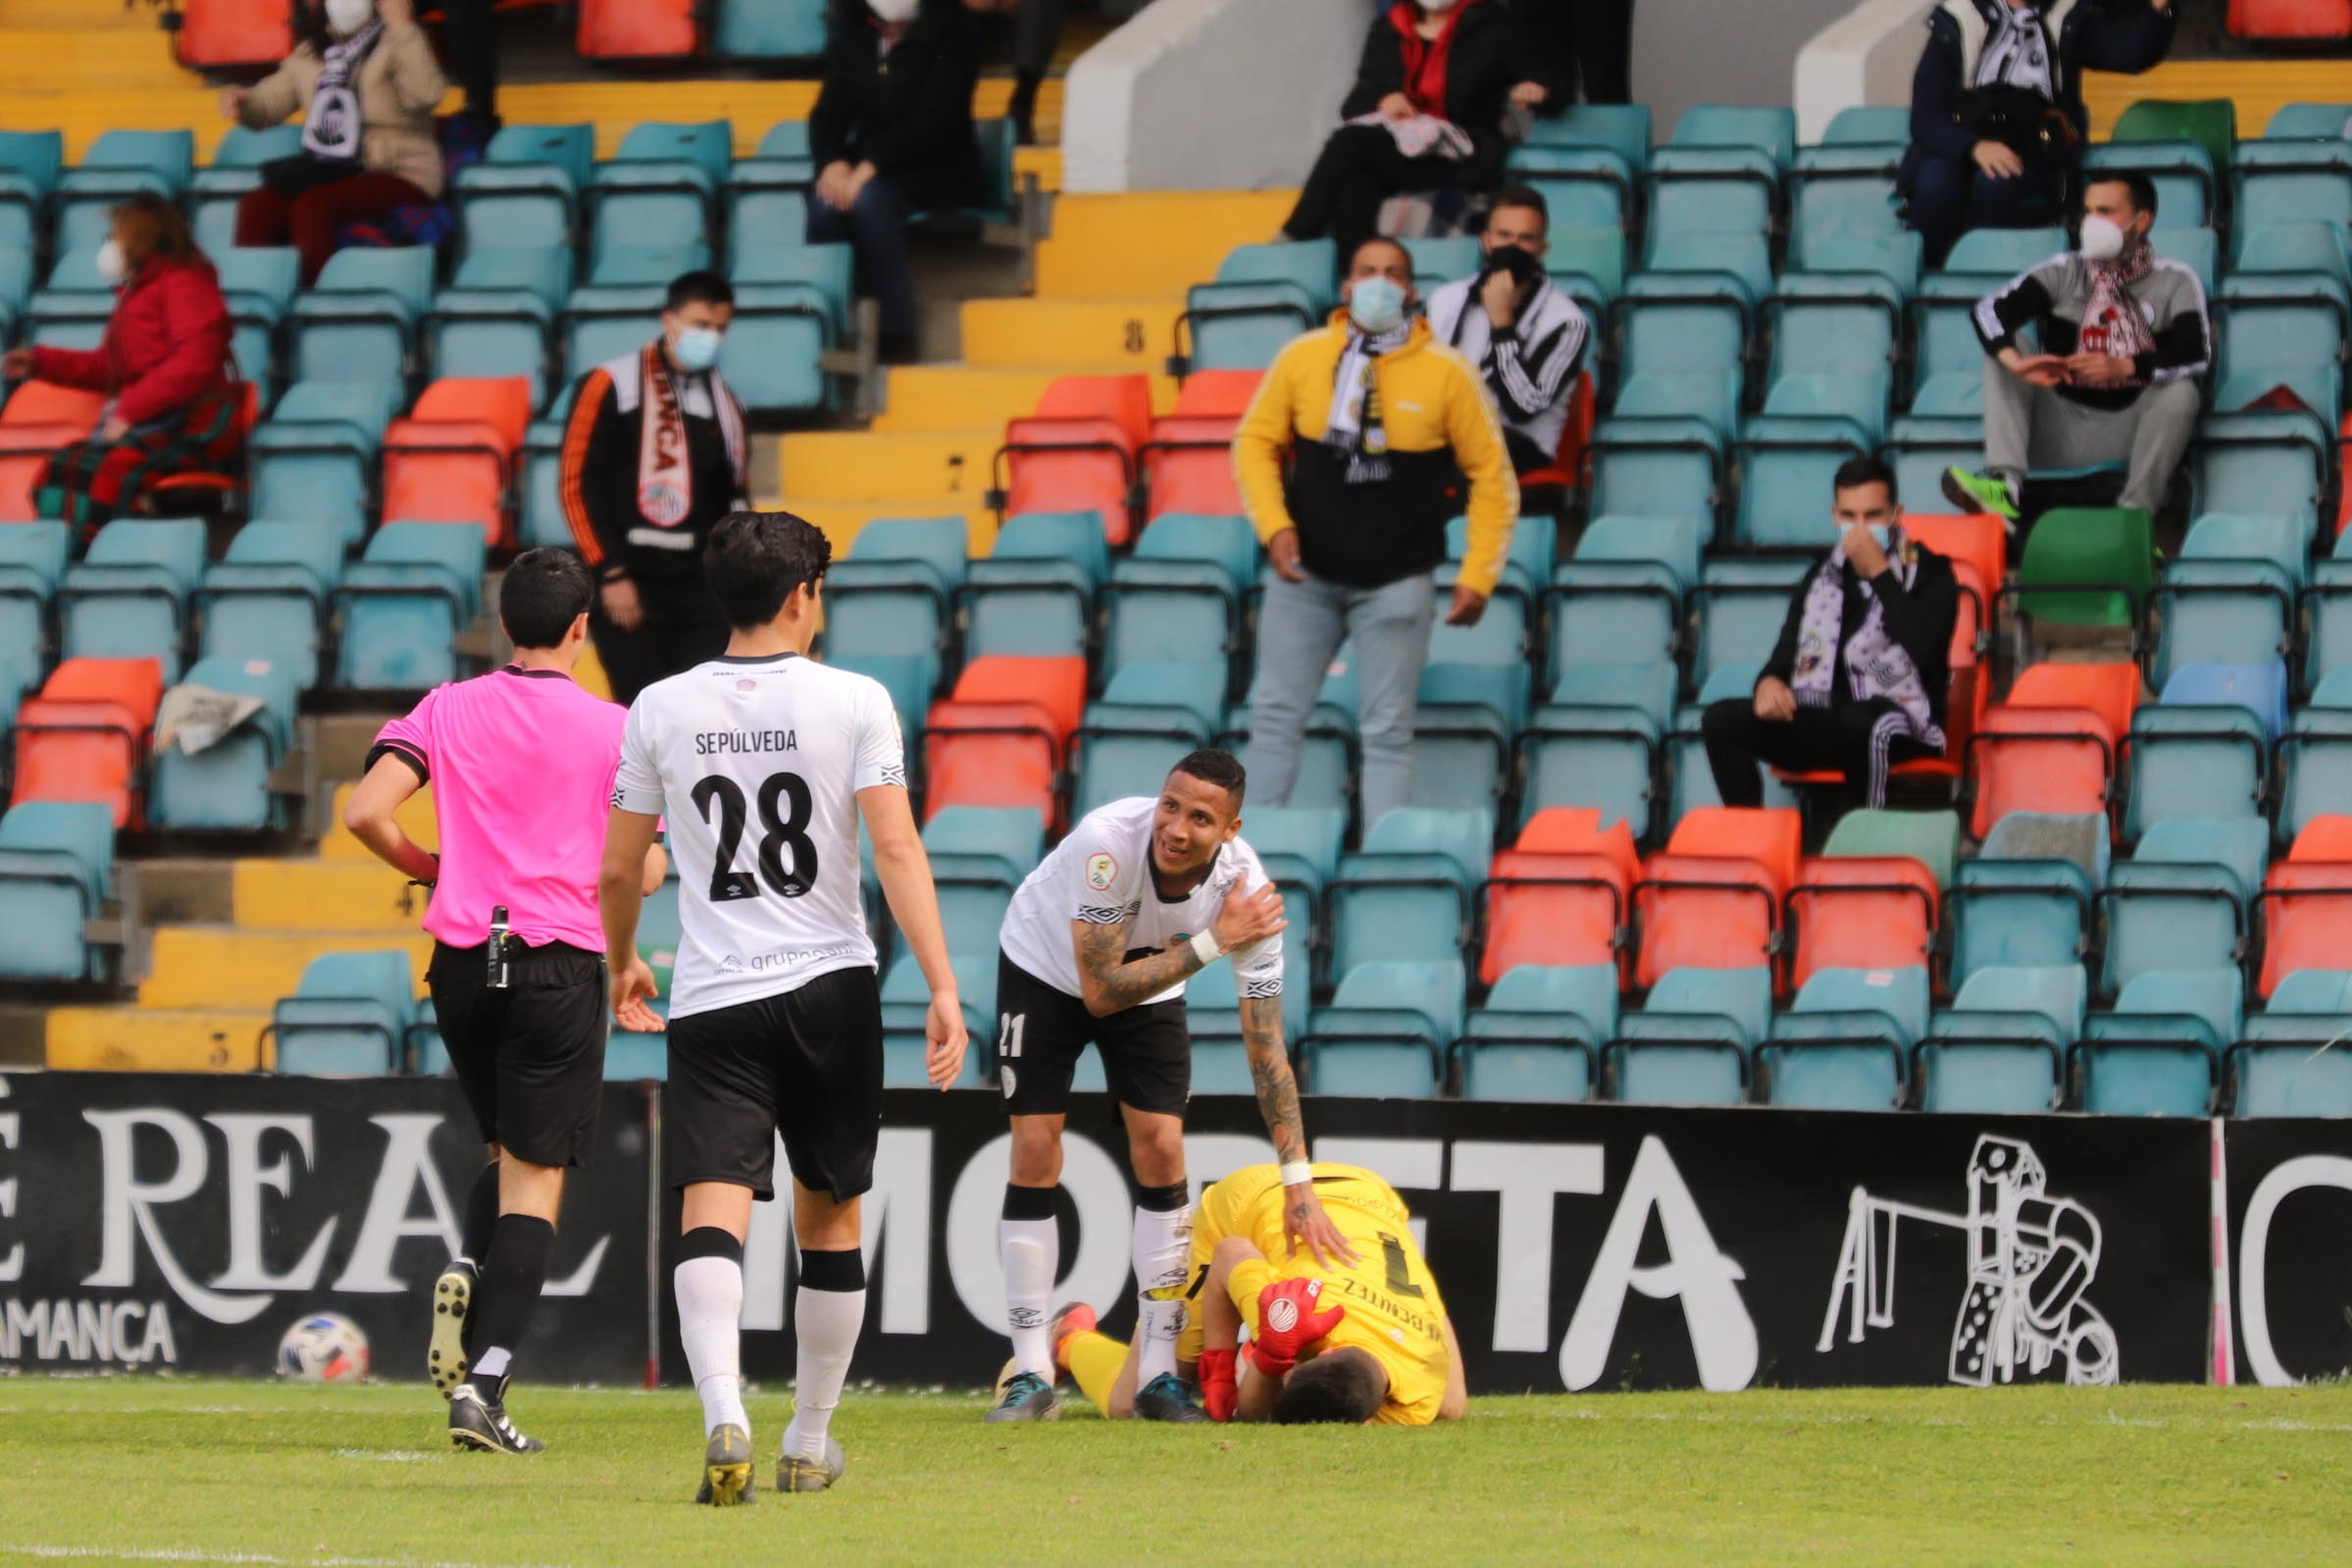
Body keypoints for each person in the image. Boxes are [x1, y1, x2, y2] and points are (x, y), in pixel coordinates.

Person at [599, 510, 968, 1505]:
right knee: (830, 1216)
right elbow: (895, 848)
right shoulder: (856, 699)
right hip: (830, 985)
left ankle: (724, 1413)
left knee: (710, 1212)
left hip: (715, 995)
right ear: (804, 594)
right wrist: (940, 984)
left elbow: (620, 867)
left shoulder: (658, 705)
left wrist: (623, 963)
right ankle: (807, 1439)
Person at [341, 549, 668, 1455]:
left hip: (461, 963)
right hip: (556, 962)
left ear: (503, 623)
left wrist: (433, 866)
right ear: (581, 627)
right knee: (536, 1181)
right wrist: (632, 924)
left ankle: (466, 1261)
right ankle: (483, 1386)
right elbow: (639, 867)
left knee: (505, 1149)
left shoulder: (446, 707)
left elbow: (365, 811)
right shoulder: (616, 728)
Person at [982, 750, 1354, 1426]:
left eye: (1201, 818)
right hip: (1044, 967)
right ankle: (1030, 1369)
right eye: (1171, 806)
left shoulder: (1247, 895)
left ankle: (1157, 1373)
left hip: (1153, 980)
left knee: (1162, 1148)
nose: (1177, 828)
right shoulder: (1106, 844)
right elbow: (1099, 992)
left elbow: (1266, 1047)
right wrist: (1214, 941)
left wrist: (1297, 1180)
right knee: (1035, 1147)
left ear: (1231, 830)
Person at [1236, 235, 1517, 829]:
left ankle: (1382, 859)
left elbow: (1493, 476)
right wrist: (1274, 526)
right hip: (1305, 577)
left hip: (1398, 580)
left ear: (1411, 291)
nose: (1379, 283)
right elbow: (1254, 443)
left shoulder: (1448, 372)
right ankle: (1245, 858)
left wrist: (1479, 574)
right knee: (1274, 717)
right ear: (1346, 286)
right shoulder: (1303, 357)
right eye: (1367, 271)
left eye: (1393, 273)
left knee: (1388, 730)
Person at [1055, 1162, 1467, 1427]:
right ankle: (1067, 1339)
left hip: (1368, 1193)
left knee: (1450, 1408)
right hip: (1251, 1201)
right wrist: (1218, 1370)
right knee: (1133, 1399)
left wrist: (1269, 1369)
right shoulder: (1294, 1311)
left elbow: (1431, 1310)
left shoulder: (1427, 1380)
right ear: (1322, 1352)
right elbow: (1229, 1252)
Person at [1943, 172, 2209, 523]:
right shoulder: (2066, 270)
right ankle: (2004, 485)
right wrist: (2016, 362)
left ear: (2142, 220)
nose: (2092, 222)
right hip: (2058, 427)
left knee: (2181, 393)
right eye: (2088, 211)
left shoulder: (2175, 280)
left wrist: (2126, 366)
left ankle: (2135, 519)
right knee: (2007, 348)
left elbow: (2195, 352)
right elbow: (1989, 312)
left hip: (2128, 430)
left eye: (2105, 211)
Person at [1702, 458, 1960, 813]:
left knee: (1862, 724)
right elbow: (1786, 652)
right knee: (1721, 721)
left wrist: (1880, 575)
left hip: (1904, 722)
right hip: (1824, 716)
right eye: (1849, 516)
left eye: (1873, 516)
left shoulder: (1930, 572)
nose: (1860, 528)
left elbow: (1928, 652)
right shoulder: (1821, 578)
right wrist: (1769, 682)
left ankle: (1861, 837)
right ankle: (1753, 839)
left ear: (1896, 515)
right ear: (1834, 516)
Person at [558, 272, 749, 706]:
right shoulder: (610, 383)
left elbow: (736, 500)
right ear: (669, 320)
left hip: (701, 590)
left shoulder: (727, 404)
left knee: (702, 711)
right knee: (641, 709)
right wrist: (609, 572)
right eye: (701, 325)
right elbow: (575, 486)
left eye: (720, 329)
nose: (711, 337)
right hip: (629, 582)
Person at [1, 195, 236, 537]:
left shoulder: (186, 281)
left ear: (140, 237)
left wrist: (130, 409)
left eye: (114, 236)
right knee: (61, 466)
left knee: (102, 472)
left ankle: (95, 552)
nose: (109, 245)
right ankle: (60, 554)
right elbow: (110, 368)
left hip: (187, 422)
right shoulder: (136, 293)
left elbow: (194, 363)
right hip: (151, 419)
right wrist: (41, 362)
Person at [1896, 0, 2174, 269]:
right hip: (1962, 143)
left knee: (1996, 182)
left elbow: (2129, 53)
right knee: (1936, 181)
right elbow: (1925, 117)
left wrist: (2159, 7)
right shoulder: (1959, 18)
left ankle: (1982, 272)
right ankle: (1930, 280)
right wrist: (1975, 147)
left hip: (2033, 149)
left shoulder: (2067, 16)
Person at [1279, 0, 1547, 260]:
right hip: (1404, 148)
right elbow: (1356, 104)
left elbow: (1544, 78)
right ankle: (1359, 275)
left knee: (1349, 143)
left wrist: (1535, 91)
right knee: (1356, 182)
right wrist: (1384, 100)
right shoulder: (1389, 27)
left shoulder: (1494, 25)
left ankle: (1296, 234)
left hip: (1462, 156)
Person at [226, 0, 450, 285]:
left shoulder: (398, 40)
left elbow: (428, 94)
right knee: (258, 206)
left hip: (399, 170)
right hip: (333, 170)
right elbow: (266, 105)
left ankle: (321, 303)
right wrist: (242, 102)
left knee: (312, 207)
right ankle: (257, 299)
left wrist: (402, 26)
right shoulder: (311, 52)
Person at [809, 0, 985, 365]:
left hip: (937, 167)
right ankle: (831, 329)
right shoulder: (852, 33)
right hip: (870, 168)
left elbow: (938, 118)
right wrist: (832, 163)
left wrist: (870, 165)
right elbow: (828, 112)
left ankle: (896, 332)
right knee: (825, 202)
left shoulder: (955, 29)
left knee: (870, 200)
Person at [1423, 185, 1590, 476]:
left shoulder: (1568, 321)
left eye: (1526, 238)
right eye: (1504, 235)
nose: (1513, 247)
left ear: (1543, 249)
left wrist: (1502, 324)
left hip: (1519, 443)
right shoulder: (1444, 300)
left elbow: (1523, 408)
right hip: (1445, 432)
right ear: (1485, 241)